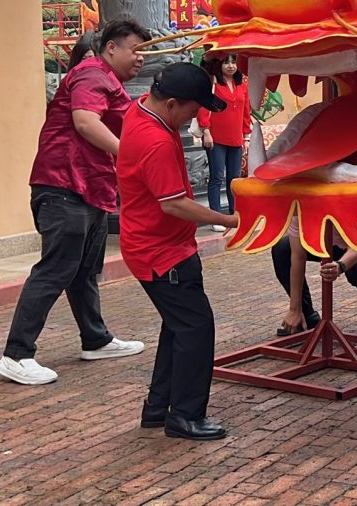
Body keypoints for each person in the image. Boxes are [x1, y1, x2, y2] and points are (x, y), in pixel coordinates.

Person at [0, 19, 149, 386]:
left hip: (90, 187)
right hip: (64, 185)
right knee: (56, 269)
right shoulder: (92, 74)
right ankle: (16, 354)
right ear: (111, 47)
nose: (140, 59)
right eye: (135, 50)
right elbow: (84, 122)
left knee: (82, 271)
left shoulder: (110, 82)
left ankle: (95, 340)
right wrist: (128, 156)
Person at [116, 63, 237, 440]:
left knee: (179, 327)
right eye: (192, 108)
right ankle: (184, 415)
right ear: (171, 103)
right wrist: (230, 220)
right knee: (196, 328)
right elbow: (174, 204)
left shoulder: (141, 110)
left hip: (156, 245)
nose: (195, 117)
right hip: (161, 251)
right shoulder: (153, 140)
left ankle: (158, 407)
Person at [196, 54, 252, 232]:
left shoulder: (242, 84)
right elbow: (204, 106)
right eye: (226, 62)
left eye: (233, 62)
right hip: (215, 138)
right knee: (217, 177)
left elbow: (246, 111)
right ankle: (216, 217)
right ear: (219, 65)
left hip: (235, 138)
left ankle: (234, 215)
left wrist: (246, 136)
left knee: (234, 179)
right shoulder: (213, 83)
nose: (230, 66)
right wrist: (206, 131)